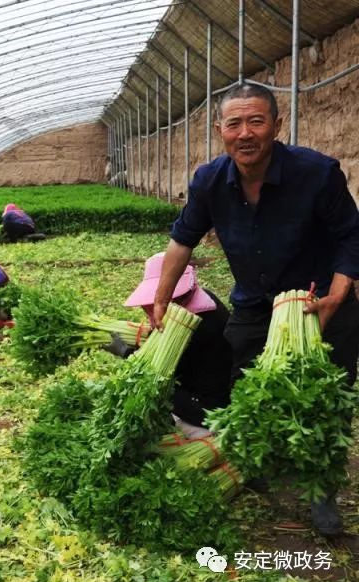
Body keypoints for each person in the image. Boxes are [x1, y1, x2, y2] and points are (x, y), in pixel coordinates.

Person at [150, 83, 359, 536]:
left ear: (277, 126)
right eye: (234, 123)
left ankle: (322, 488)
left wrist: (337, 297)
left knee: (326, 394)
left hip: (316, 299)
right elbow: (182, 238)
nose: (245, 133)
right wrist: (162, 297)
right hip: (254, 300)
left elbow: (350, 237)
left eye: (256, 121)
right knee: (245, 384)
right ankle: (256, 460)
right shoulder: (210, 180)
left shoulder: (317, 173)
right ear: (220, 130)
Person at [105, 253, 232, 436]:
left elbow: (156, 377)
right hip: (211, 389)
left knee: (160, 399)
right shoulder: (203, 299)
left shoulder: (193, 327)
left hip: (208, 411)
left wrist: (126, 353)